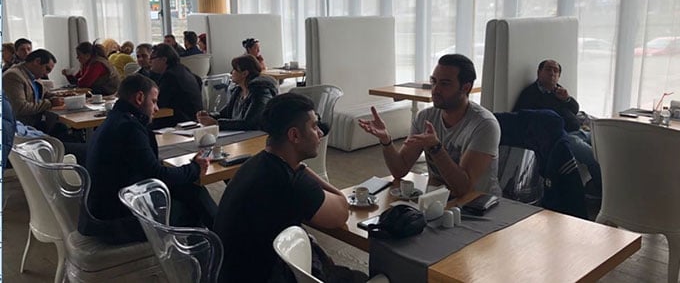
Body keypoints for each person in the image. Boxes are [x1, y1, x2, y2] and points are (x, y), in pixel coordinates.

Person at [214, 93, 366, 283]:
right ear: (294, 135)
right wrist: (302, 169)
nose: (320, 133)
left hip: (228, 273)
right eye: (314, 126)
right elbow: (341, 212)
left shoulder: (254, 163)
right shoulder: (291, 180)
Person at [81, 74, 216, 244]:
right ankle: (217, 245)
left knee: (191, 190)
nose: (156, 108)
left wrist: (190, 170)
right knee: (192, 204)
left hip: (104, 209)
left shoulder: (114, 121)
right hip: (117, 220)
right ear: (139, 98)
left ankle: (220, 241)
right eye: (154, 101)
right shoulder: (129, 128)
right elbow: (157, 175)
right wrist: (195, 168)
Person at [359, 54, 501, 197]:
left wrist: (436, 148)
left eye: (445, 84)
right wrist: (386, 141)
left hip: (478, 205)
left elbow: (463, 189)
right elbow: (399, 170)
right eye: (433, 81)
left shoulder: (484, 125)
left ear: (465, 87)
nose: (435, 89)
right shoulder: (425, 117)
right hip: (435, 200)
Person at [512, 59, 601, 197]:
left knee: (606, 146)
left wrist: (567, 99)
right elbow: (520, 116)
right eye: (548, 69)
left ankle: (597, 188)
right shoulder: (531, 93)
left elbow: (575, 109)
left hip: (580, 131)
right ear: (539, 73)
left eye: (556, 71)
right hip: (563, 137)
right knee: (594, 156)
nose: (552, 73)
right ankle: (602, 193)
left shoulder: (558, 91)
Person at [196, 55, 278, 131]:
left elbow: (250, 123)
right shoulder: (238, 91)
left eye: (234, 69)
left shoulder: (260, 91)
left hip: (256, 137)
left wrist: (217, 123)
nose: (231, 72)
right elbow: (225, 113)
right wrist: (207, 116)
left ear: (245, 73)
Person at [2, 49, 66, 135]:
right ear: (37, 61)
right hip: (22, 129)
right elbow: (20, 108)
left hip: (35, 123)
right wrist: (50, 103)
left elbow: (43, 94)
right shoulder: (13, 76)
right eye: (46, 69)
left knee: (63, 128)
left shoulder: (32, 74)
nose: (46, 74)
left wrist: (61, 96)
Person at [149, 44, 203, 129]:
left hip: (180, 123)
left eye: (152, 58)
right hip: (194, 119)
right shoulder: (183, 69)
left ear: (164, 59)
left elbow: (159, 103)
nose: (150, 62)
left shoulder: (170, 76)